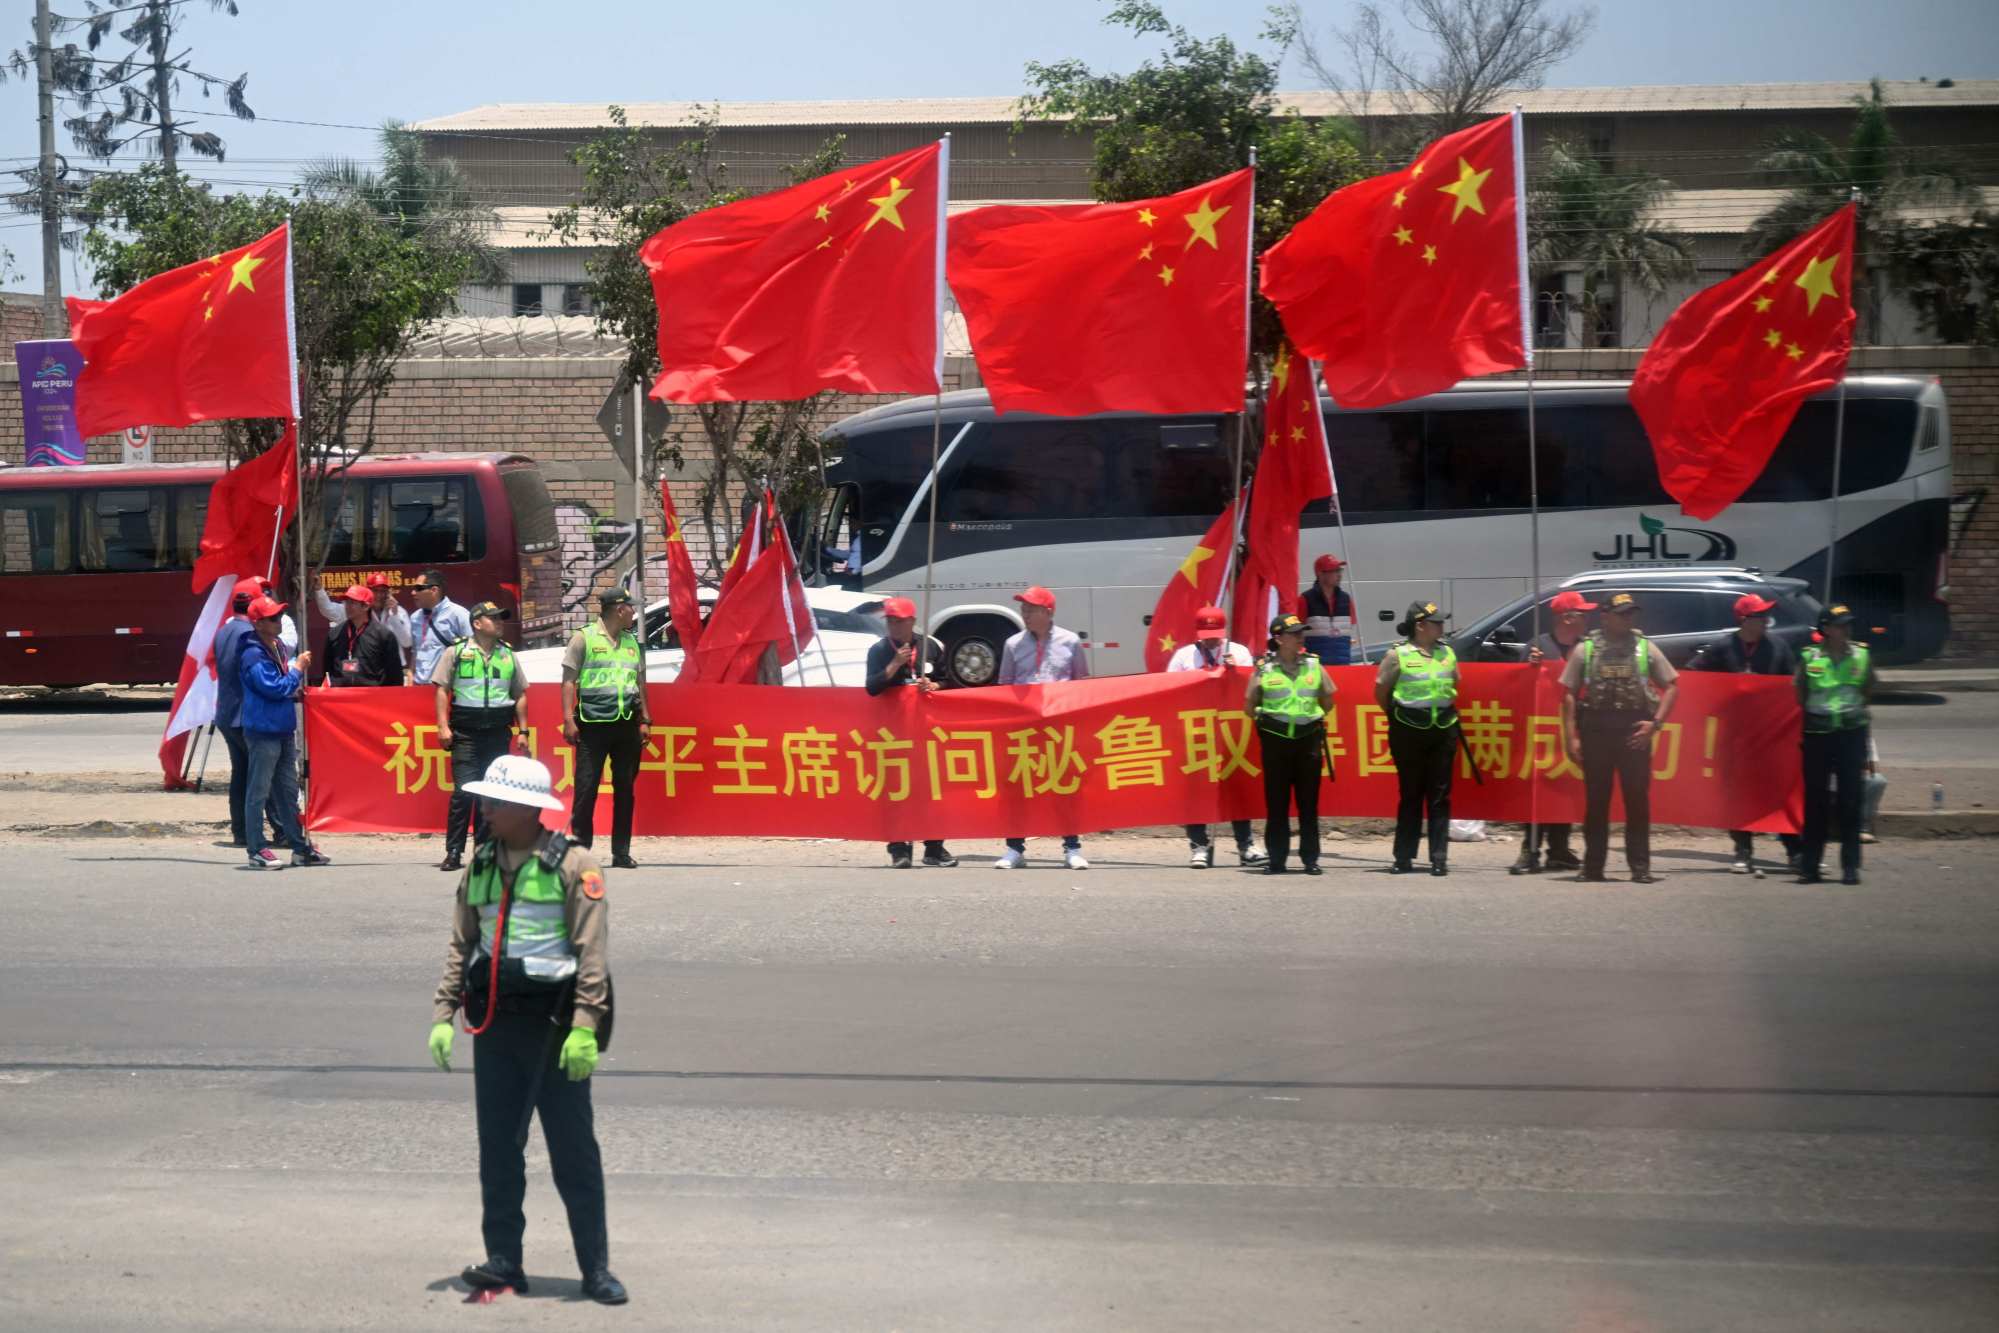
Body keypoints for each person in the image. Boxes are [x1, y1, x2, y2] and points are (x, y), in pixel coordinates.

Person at [426, 754, 628, 1306]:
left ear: (523, 808)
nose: (484, 810)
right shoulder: (482, 863)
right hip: (494, 1026)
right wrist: (444, 1015)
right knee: (498, 1148)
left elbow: (592, 955)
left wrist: (586, 1027)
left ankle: (595, 1269)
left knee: (573, 1154)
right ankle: (504, 1260)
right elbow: (460, 943)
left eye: (493, 802)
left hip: (554, 1032)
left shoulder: (574, 865)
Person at [1560, 592, 1679, 884]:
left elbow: (1672, 685)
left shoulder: (1644, 648)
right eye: (1622, 613)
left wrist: (1656, 724)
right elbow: (1568, 694)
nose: (1628, 618)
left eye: (1631, 613)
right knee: (1596, 802)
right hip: (1595, 731)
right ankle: (1592, 867)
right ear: (1605, 616)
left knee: (1637, 800)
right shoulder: (1585, 649)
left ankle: (1640, 867)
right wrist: (1570, 738)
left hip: (1633, 731)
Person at [1686, 593, 1800, 876]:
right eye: (1758, 616)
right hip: (1734, 738)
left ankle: (1795, 852)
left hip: (1770, 735)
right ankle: (1743, 852)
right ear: (1743, 620)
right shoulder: (1723, 649)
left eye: (1764, 616)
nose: (1763, 621)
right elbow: (1692, 676)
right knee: (1738, 796)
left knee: (1778, 793)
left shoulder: (1778, 647)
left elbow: (1794, 687)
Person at [994, 586, 1091, 871]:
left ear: (1048, 612)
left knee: (1064, 788)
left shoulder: (1070, 642)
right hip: (1023, 729)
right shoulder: (1012, 644)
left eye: (1031, 609)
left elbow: (1081, 685)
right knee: (1018, 789)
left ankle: (1072, 848)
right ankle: (1014, 848)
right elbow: (1005, 687)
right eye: (1023, 608)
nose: (1025, 613)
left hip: (1060, 729)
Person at [1169, 605, 1266, 869]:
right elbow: (1169, 692)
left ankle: (1246, 846)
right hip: (1197, 732)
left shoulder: (1239, 652)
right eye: (1206, 634)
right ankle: (1199, 846)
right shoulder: (1184, 656)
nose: (1211, 639)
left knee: (1237, 787)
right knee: (1197, 791)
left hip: (1230, 730)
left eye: (1215, 634)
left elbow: (1254, 687)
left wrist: (1236, 673)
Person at [435, 602, 529, 873]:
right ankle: (454, 851)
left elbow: (520, 694)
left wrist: (523, 730)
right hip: (465, 732)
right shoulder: (457, 651)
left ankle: (486, 851)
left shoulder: (508, 655)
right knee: (464, 792)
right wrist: (443, 727)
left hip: (498, 733)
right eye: (494, 619)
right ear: (477, 623)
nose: (500, 623)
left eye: (501, 619)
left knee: (491, 794)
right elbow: (442, 690)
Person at [237, 594, 329, 870]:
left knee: (288, 792)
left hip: (282, 728)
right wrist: (297, 671)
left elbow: (281, 685)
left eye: (279, 615)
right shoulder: (253, 654)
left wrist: (294, 683)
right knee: (259, 791)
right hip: (263, 730)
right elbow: (274, 687)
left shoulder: (275, 645)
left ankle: (299, 847)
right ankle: (256, 849)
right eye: (273, 618)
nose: (279, 621)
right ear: (258, 623)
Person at [866, 596, 956, 869]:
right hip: (893, 733)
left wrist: (935, 686)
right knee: (897, 791)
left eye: (899, 621)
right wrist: (894, 664)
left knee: (930, 790)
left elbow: (950, 681)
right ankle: (899, 849)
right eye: (890, 621)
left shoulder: (931, 646)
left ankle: (934, 847)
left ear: (912, 622)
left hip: (927, 732)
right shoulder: (879, 650)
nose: (893, 626)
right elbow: (871, 688)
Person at [563, 589, 650, 870]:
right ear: (618, 609)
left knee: (625, 789)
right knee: (586, 790)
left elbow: (639, 682)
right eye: (631, 608)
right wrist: (568, 718)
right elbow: (568, 681)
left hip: (626, 725)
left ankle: (621, 852)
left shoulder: (632, 642)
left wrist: (645, 719)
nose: (634, 613)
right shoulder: (583, 638)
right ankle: (580, 852)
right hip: (593, 726)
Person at [1375, 601, 1461, 876]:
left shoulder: (1447, 653)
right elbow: (1381, 690)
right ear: (1420, 626)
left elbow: (1455, 683)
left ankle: (1438, 857)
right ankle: (1403, 857)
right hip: (1408, 730)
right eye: (1436, 622)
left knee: (1439, 795)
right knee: (1410, 794)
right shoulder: (1397, 655)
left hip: (1443, 728)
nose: (1441, 627)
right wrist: (1396, 713)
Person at [1511, 590, 1594, 875]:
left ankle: (1559, 849)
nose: (1587, 618)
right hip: (1542, 731)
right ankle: (1530, 850)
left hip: (1576, 727)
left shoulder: (1589, 647)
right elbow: (1517, 685)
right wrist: (1530, 667)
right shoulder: (1538, 646)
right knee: (1538, 789)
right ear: (1567, 618)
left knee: (1567, 787)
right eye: (1582, 613)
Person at [1245, 614, 1334, 875]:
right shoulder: (1264, 669)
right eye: (1294, 634)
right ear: (1279, 638)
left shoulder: (1313, 665)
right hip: (1276, 741)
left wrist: (1310, 718)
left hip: (1308, 739)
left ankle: (1310, 859)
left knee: (1308, 803)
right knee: (1277, 803)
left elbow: (1328, 699)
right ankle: (1277, 859)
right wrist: (1268, 720)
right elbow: (1250, 705)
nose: (1300, 638)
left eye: (1301, 633)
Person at [1795, 603, 1875, 886]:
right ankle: (1810, 866)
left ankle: (1851, 867)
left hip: (1851, 735)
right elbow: (1800, 694)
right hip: (1818, 736)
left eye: (1847, 624)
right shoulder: (1810, 657)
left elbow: (1867, 690)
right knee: (1815, 802)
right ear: (1826, 629)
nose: (1845, 629)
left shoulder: (1862, 655)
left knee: (1850, 802)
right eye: (1840, 625)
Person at [214, 576, 286, 850]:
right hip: (247, 715)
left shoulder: (223, 631)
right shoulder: (248, 636)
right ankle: (281, 830)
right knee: (265, 775)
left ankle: (241, 832)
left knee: (241, 775)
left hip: (227, 714)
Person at [317, 572, 413, 671]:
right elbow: (328, 609)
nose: (379, 595)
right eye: (375, 591)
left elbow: (407, 642)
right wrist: (319, 589)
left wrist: (394, 616)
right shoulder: (359, 610)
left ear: (388, 593)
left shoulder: (398, 611)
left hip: (392, 668)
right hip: (368, 669)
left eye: (383, 591)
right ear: (369, 591)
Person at [323, 582, 405, 687]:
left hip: (372, 698)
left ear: (366, 606)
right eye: (346, 602)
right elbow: (327, 671)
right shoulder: (335, 634)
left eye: (352, 602)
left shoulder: (384, 635)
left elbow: (395, 675)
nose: (347, 606)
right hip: (342, 698)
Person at [410, 570, 473, 686]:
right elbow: (415, 652)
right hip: (418, 687)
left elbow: (474, 651)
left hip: (446, 688)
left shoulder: (458, 615)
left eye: (418, 588)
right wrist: (411, 678)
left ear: (434, 590)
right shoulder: (415, 618)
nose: (413, 592)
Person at [1298, 554, 1360, 666]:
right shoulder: (1305, 599)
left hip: (1343, 666)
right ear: (1320, 574)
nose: (1339, 575)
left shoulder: (1346, 599)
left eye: (1340, 571)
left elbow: (1350, 632)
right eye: (1334, 571)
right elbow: (1297, 635)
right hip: (1315, 669)